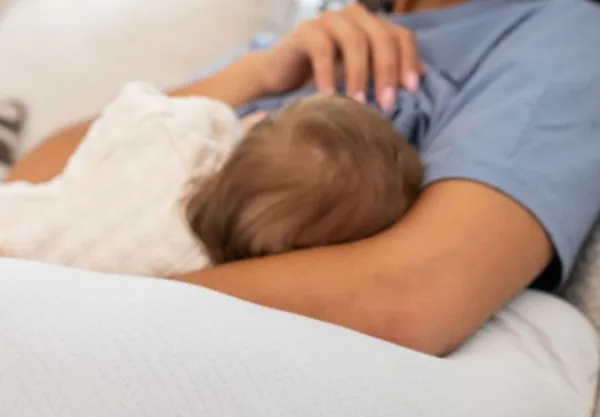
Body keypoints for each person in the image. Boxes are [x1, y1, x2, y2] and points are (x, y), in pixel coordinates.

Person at [7, 0, 600, 358]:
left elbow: (414, 296)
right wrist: (255, 73)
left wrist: (79, 302)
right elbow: (37, 177)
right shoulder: (322, 30)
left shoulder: (561, 41)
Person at [0, 87, 421, 276]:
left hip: (18, 215)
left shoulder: (177, 143)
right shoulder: (202, 273)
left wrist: (229, 129)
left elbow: (134, 107)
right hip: (32, 268)